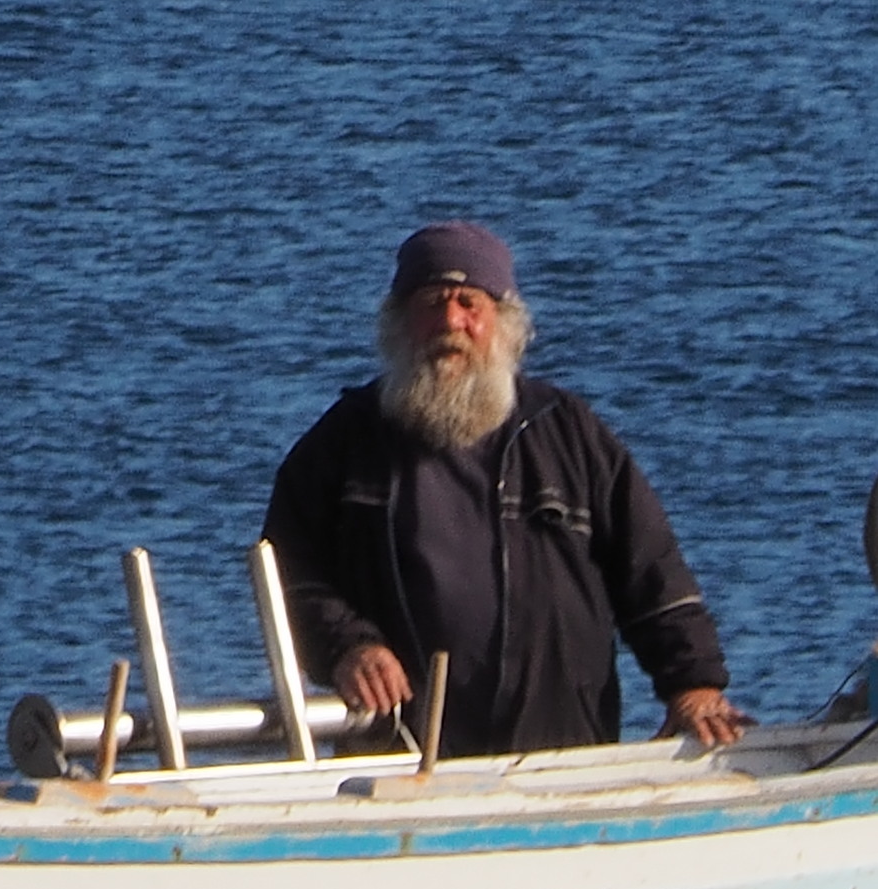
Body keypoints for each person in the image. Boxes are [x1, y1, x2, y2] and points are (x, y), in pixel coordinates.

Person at [261, 220, 751, 757]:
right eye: (431, 303)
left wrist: (694, 686)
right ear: (398, 321)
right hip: (401, 758)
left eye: (469, 303)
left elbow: (651, 571)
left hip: (563, 753)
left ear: (503, 322)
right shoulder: (342, 443)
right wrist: (348, 647)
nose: (450, 321)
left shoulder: (569, 433)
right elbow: (287, 575)